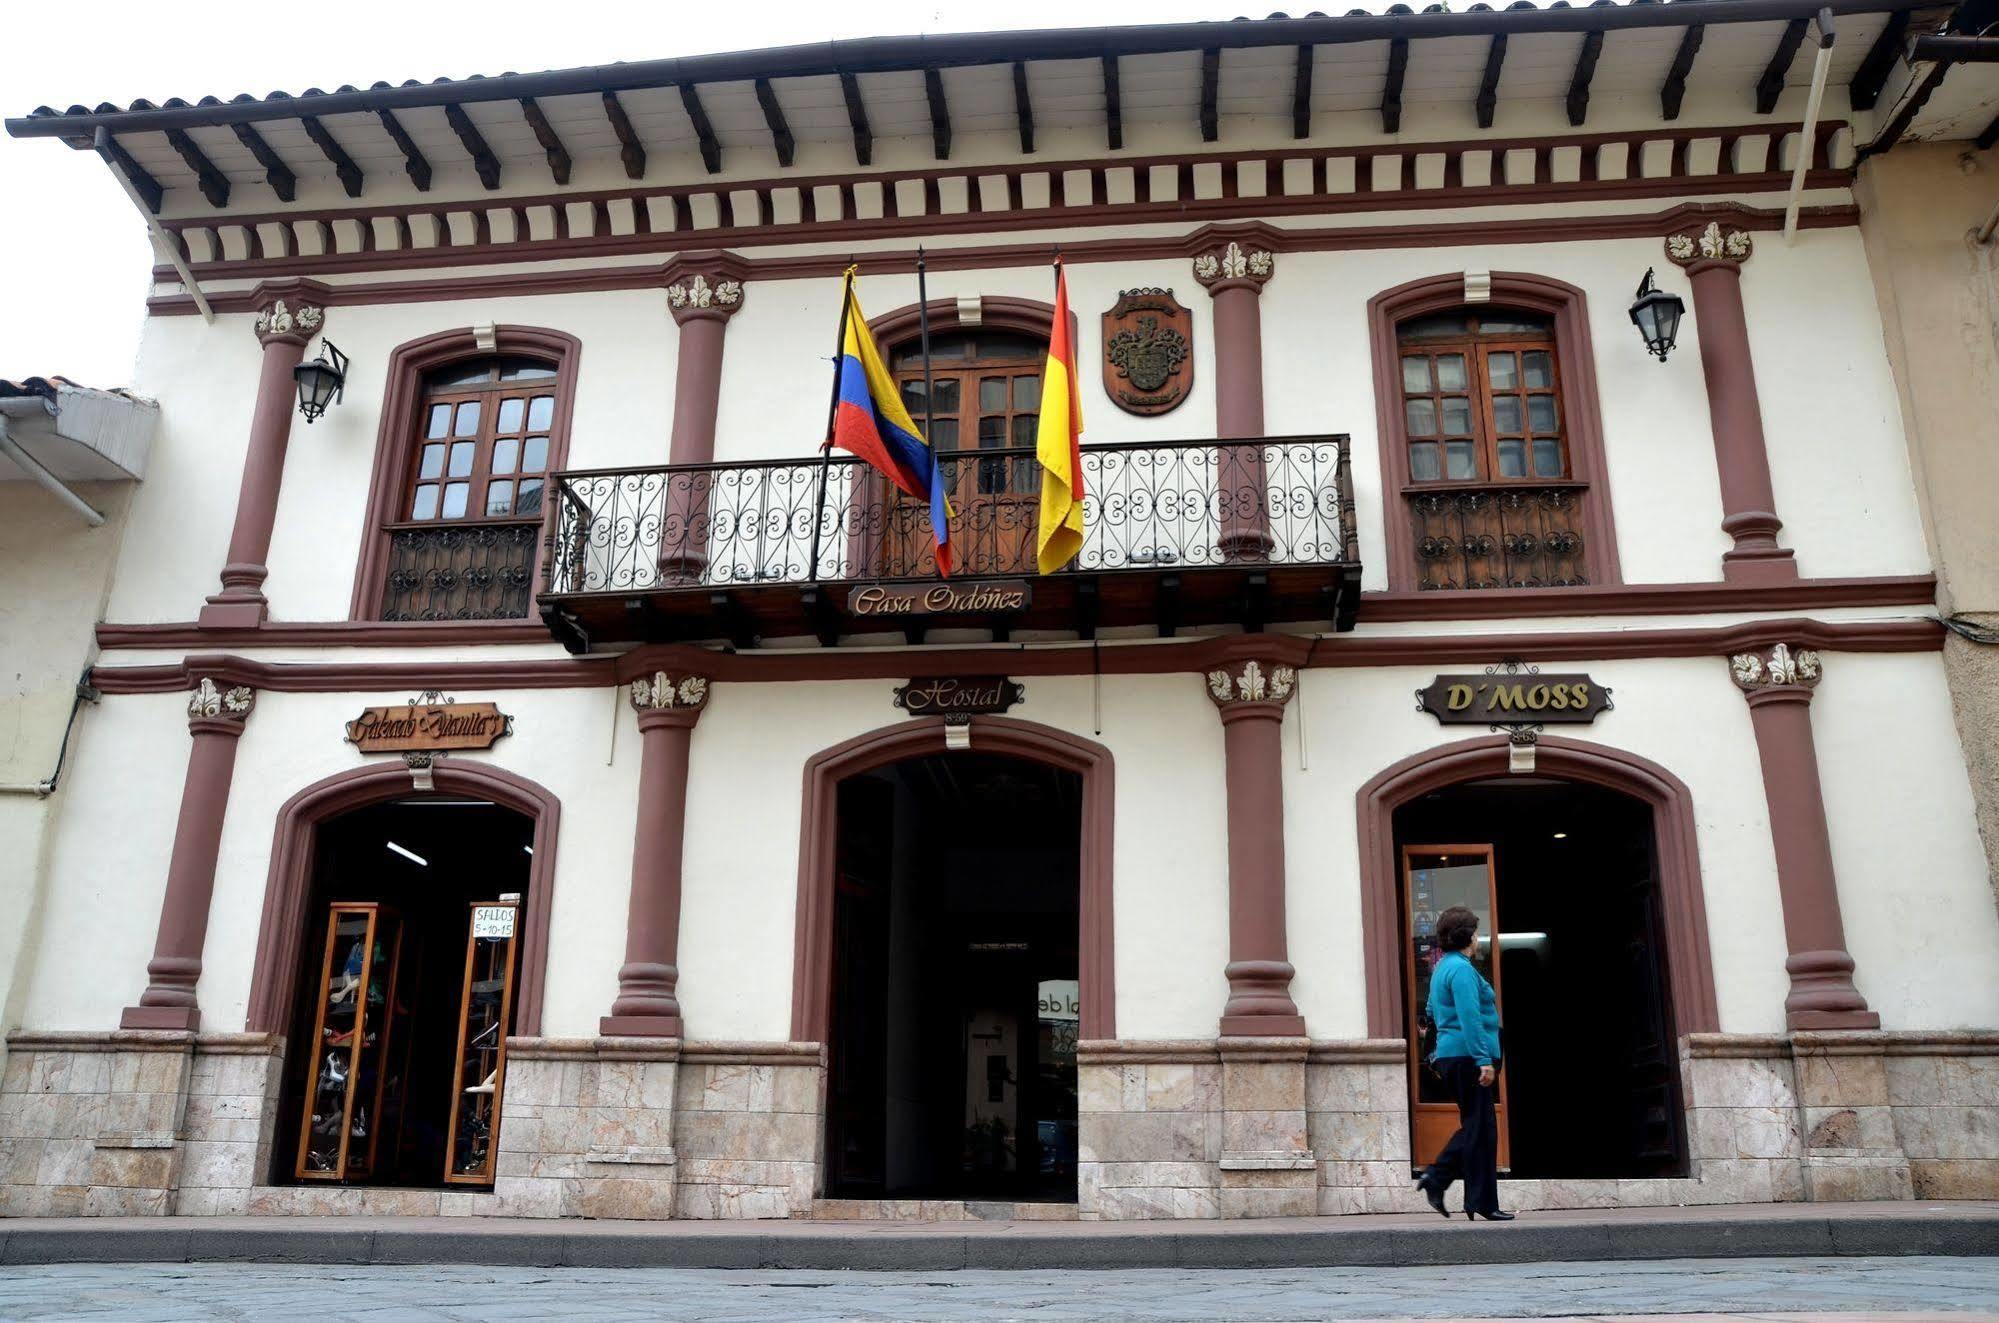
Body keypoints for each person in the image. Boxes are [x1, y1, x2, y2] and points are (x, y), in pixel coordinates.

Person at [1415, 905, 1514, 1221]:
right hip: (1467, 1057)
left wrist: (1432, 1029)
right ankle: (1443, 1180)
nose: (1478, 936)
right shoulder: (1460, 970)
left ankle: (1474, 1199)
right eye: (1476, 931)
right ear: (1468, 936)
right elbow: (1471, 1018)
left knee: (1480, 1127)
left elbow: (1430, 1009)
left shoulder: (1444, 967)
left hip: (1454, 1056)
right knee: (1479, 1127)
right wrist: (1483, 1060)